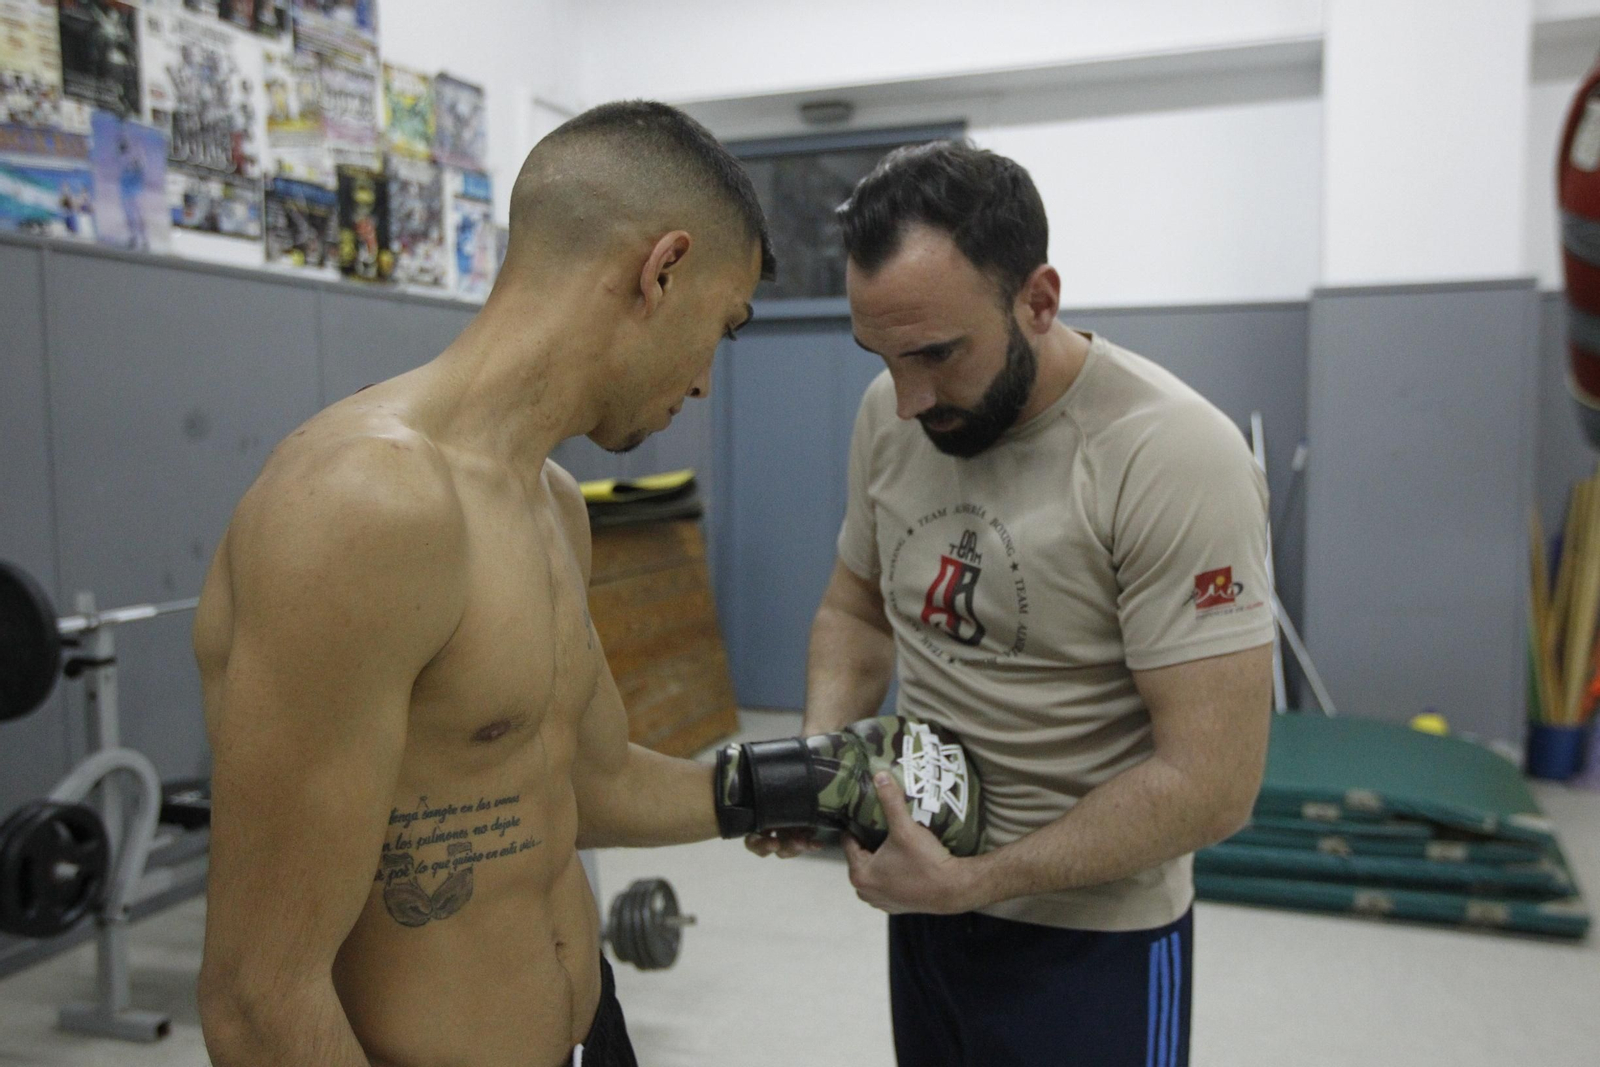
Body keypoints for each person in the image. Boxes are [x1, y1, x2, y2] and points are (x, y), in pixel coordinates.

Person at [192, 101, 774, 1067]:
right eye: (726, 324)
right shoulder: (364, 505)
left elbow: (590, 780)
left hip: (594, 1031)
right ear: (660, 269)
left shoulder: (553, 503)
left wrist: (798, 784)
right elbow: (259, 999)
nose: (708, 378)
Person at [749, 141, 1275, 1066]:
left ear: (1038, 299)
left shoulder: (1171, 454)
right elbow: (857, 611)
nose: (907, 398)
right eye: (880, 355)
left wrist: (978, 881)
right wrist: (821, 760)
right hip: (928, 908)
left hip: (1094, 937)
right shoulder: (892, 410)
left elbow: (1213, 783)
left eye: (936, 355)